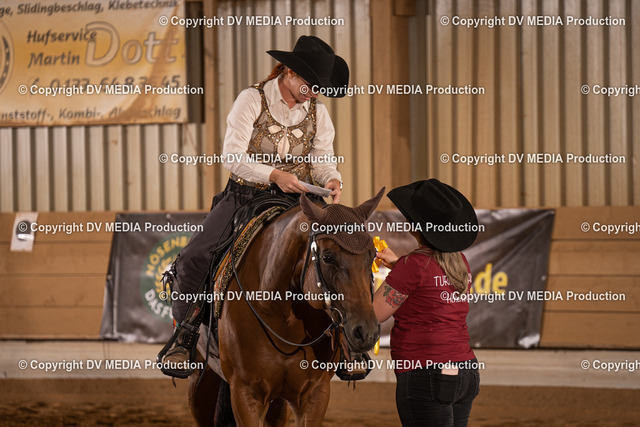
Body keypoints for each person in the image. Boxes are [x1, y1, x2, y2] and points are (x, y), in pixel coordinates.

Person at [158, 35, 348, 378]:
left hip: (298, 200)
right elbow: (232, 156)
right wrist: (274, 175)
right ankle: (184, 336)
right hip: (244, 196)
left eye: (318, 88)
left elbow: (322, 160)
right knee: (195, 258)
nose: (314, 93)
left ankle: (347, 341)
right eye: (309, 85)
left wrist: (332, 178)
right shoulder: (251, 99)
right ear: (289, 72)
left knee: (342, 251)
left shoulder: (319, 112)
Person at [373, 179, 480, 427]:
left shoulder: (412, 266)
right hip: (465, 370)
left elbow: (374, 313)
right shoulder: (459, 262)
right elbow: (429, 285)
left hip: (425, 372)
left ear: (415, 227)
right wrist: (399, 266)